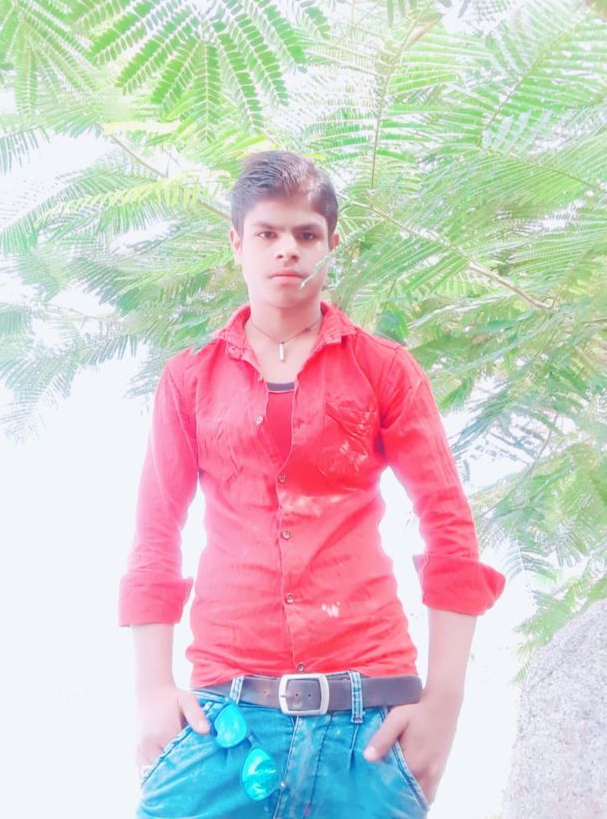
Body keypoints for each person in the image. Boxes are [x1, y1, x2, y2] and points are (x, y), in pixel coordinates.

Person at [118, 150, 506, 819]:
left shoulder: (385, 370)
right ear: (237, 243)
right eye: (267, 233)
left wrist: (443, 706)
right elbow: (156, 536)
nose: (287, 250)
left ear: (331, 245)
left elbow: (449, 531)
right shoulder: (190, 379)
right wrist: (152, 692)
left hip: (369, 728)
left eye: (306, 233)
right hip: (223, 727)